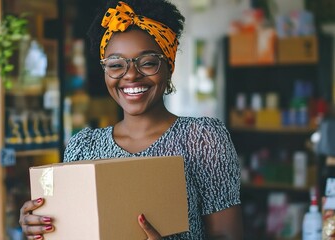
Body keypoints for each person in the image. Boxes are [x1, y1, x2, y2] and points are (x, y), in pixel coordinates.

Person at [19, 0, 244, 239]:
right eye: (116, 65)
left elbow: (227, 236)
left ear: (169, 66)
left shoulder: (201, 139)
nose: (131, 75)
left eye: (147, 62)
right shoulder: (83, 146)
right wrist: (42, 227)